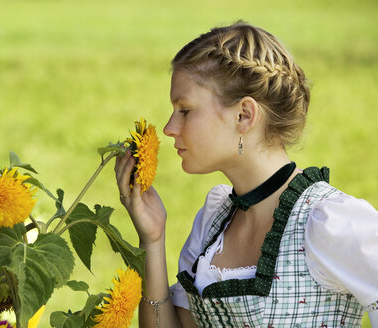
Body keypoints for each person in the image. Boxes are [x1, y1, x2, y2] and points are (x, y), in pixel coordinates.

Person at [115, 21, 378, 328]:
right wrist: (153, 239)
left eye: (184, 110)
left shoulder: (329, 224)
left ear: (244, 115)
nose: (170, 128)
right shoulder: (212, 223)